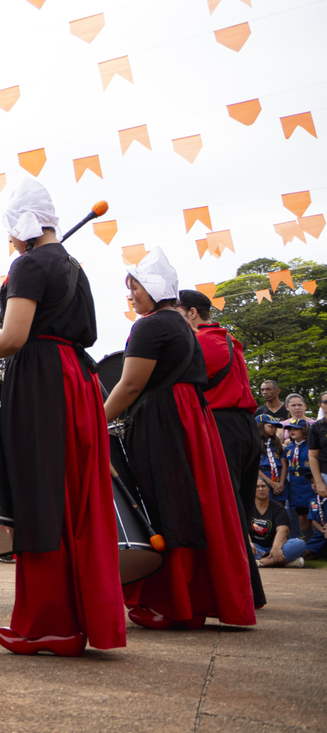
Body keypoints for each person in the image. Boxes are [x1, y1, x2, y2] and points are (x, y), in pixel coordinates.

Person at [0, 178, 124, 657]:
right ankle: (84, 617)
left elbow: (13, 336)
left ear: (23, 229)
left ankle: (49, 625)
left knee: (41, 497)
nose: (10, 243)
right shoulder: (74, 267)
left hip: (42, 381)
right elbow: (86, 333)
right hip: (77, 380)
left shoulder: (28, 265)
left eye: (11, 234)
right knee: (75, 497)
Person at [104, 248, 255, 631]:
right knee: (191, 502)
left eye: (135, 287)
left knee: (163, 502)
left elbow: (131, 383)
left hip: (163, 418)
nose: (131, 295)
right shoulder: (181, 326)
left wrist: (94, 420)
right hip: (188, 417)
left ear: (153, 288)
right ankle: (192, 600)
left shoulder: (150, 326)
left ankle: (170, 602)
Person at [180, 289, 266, 608]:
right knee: (239, 511)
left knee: (222, 510)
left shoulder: (203, 341)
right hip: (245, 426)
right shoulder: (229, 339)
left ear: (190, 313)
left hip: (223, 425)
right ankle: (248, 592)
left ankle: (231, 594)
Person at [250, 477, 307, 567]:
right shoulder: (247, 508)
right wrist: (249, 543)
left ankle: (261, 563)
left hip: (278, 546)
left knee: (299, 544)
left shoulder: (278, 509)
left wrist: (276, 548)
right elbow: (242, 530)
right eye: (257, 487)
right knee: (241, 545)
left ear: (268, 489)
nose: (260, 489)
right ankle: (284, 562)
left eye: (263, 486)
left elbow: (283, 530)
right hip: (256, 548)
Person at [283, 420, 313, 528]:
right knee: (301, 515)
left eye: (296, 428)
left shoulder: (311, 445)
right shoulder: (288, 447)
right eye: (290, 429)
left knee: (314, 512)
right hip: (295, 483)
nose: (292, 431)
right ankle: (305, 540)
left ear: (304, 430)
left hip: (309, 481)